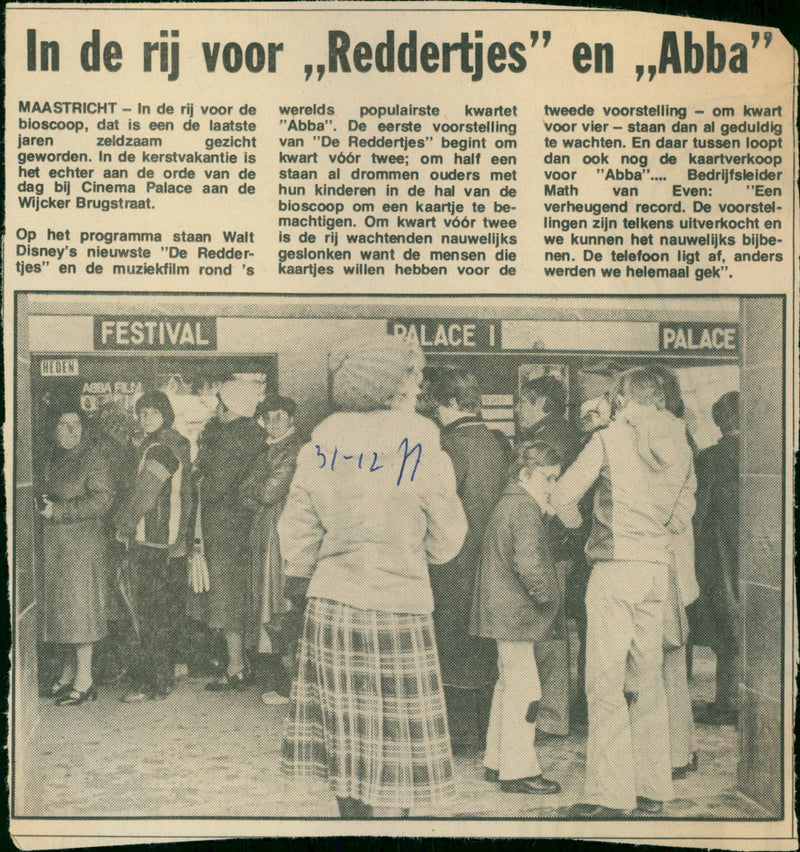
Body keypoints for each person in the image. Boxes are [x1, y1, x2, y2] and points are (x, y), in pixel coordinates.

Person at [279, 334, 468, 819]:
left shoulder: (321, 443)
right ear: (391, 383)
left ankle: (353, 821)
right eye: (413, 374)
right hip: (400, 604)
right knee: (399, 735)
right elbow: (448, 539)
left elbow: (297, 533)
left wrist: (306, 569)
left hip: (333, 603)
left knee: (344, 727)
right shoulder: (423, 442)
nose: (419, 384)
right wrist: (413, 551)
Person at [553, 368, 694, 817]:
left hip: (615, 568)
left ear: (622, 398)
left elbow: (562, 495)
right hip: (657, 569)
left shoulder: (608, 439)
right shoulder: (680, 439)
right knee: (647, 680)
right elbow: (685, 507)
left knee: (605, 683)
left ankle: (609, 795)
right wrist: (658, 532)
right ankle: (653, 788)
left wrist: (581, 527)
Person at [470, 441, 563, 795]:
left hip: (502, 613)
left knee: (507, 685)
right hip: (516, 615)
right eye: (547, 478)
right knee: (526, 691)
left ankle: (497, 761)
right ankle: (519, 770)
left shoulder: (509, 502)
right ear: (526, 474)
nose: (552, 486)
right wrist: (549, 597)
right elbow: (530, 564)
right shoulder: (525, 507)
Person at [426, 367, 509, 753]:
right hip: (490, 560)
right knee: (483, 645)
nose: (435, 412)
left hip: (452, 561)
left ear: (450, 403)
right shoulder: (495, 442)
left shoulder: (448, 446)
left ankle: (458, 737)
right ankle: (485, 733)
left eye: (437, 404)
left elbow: (435, 507)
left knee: (452, 642)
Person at [113, 391, 193, 703]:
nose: (146, 418)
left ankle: (151, 683)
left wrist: (123, 526)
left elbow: (144, 494)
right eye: (142, 412)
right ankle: (163, 676)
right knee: (163, 611)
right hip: (168, 541)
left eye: (153, 413)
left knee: (147, 613)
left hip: (151, 538)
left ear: (165, 415)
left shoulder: (161, 448)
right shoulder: (173, 443)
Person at [517, 374, 583, 738]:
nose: (518, 409)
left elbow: (554, 498)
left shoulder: (548, 440)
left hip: (550, 544)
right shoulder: (565, 433)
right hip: (560, 544)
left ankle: (552, 716)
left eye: (524, 402)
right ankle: (554, 713)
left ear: (541, 402)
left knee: (549, 631)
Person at [38, 403, 114, 706]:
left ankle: (85, 679)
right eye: (64, 424)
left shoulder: (92, 457)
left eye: (77, 424)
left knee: (81, 612)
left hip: (82, 548)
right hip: (59, 548)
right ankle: (69, 672)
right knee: (66, 613)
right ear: (53, 428)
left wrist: (58, 510)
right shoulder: (52, 456)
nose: (72, 431)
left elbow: (103, 500)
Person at [195, 378, 266, 690]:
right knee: (238, 593)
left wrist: (198, 479)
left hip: (224, 527)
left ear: (231, 406)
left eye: (220, 403)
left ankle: (235, 665)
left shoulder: (231, 438)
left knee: (225, 596)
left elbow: (212, 486)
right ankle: (240, 661)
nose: (217, 409)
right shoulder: (254, 435)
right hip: (241, 525)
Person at [239, 393, 301, 704]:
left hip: (283, 532)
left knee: (279, 601)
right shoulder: (269, 449)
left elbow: (266, 492)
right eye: (268, 417)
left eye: (279, 416)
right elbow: (244, 492)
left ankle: (291, 684)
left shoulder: (294, 449)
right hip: (266, 529)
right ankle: (282, 679)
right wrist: (255, 490)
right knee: (268, 598)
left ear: (292, 418)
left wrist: (255, 490)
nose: (273, 422)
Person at [688, 391, 741, 726]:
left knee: (726, 623)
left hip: (719, 550)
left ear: (719, 420)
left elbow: (699, 509)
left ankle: (727, 703)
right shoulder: (764, 454)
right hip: (756, 547)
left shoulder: (711, 457)